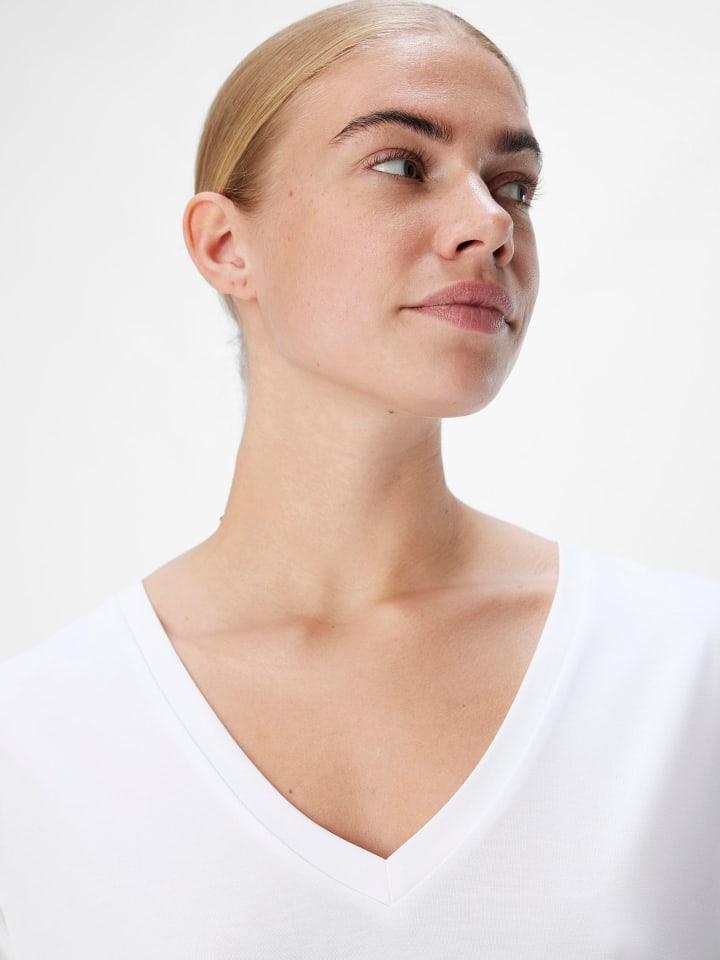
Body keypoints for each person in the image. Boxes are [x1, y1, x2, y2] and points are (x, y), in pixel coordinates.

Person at [0, 2, 718, 957]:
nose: (490, 224)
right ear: (226, 246)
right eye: (402, 165)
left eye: (514, 185)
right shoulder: (39, 741)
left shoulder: (684, 674)